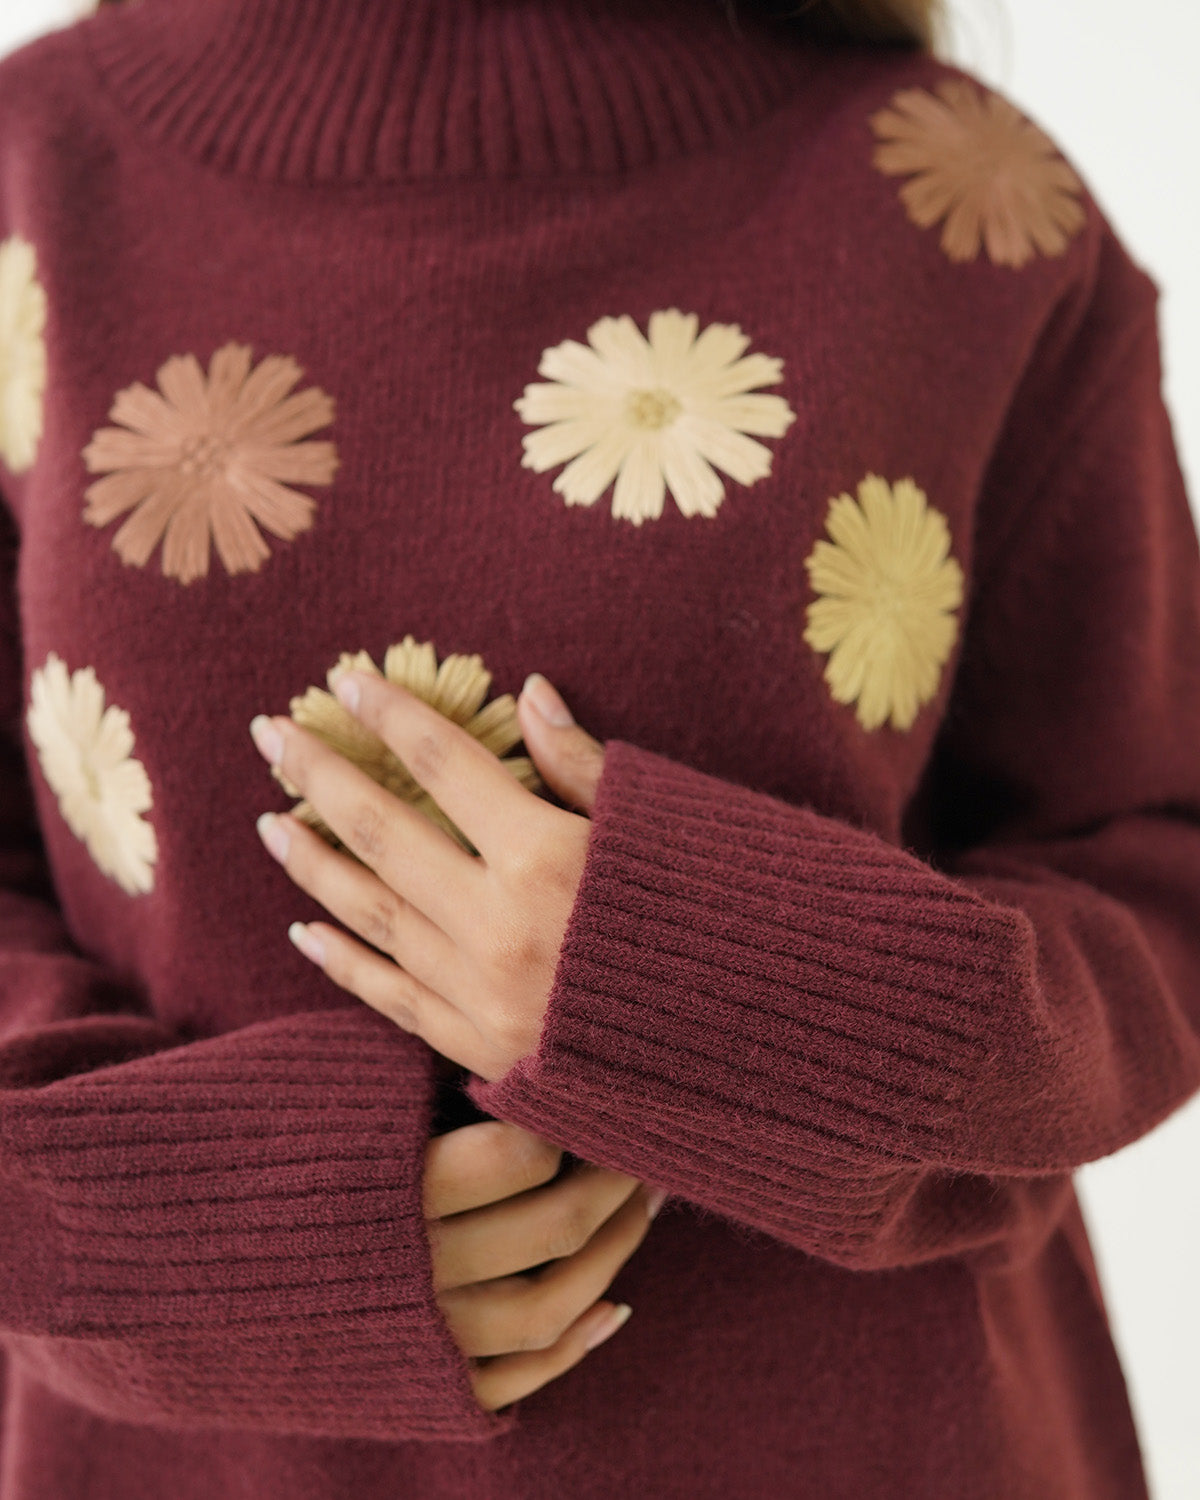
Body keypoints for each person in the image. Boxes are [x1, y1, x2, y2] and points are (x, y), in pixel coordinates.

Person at [1, 0, 1197, 1495]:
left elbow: (1158, 874)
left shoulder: (961, 205)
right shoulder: (29, 169)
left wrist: (719, 991)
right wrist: (174, 1231)